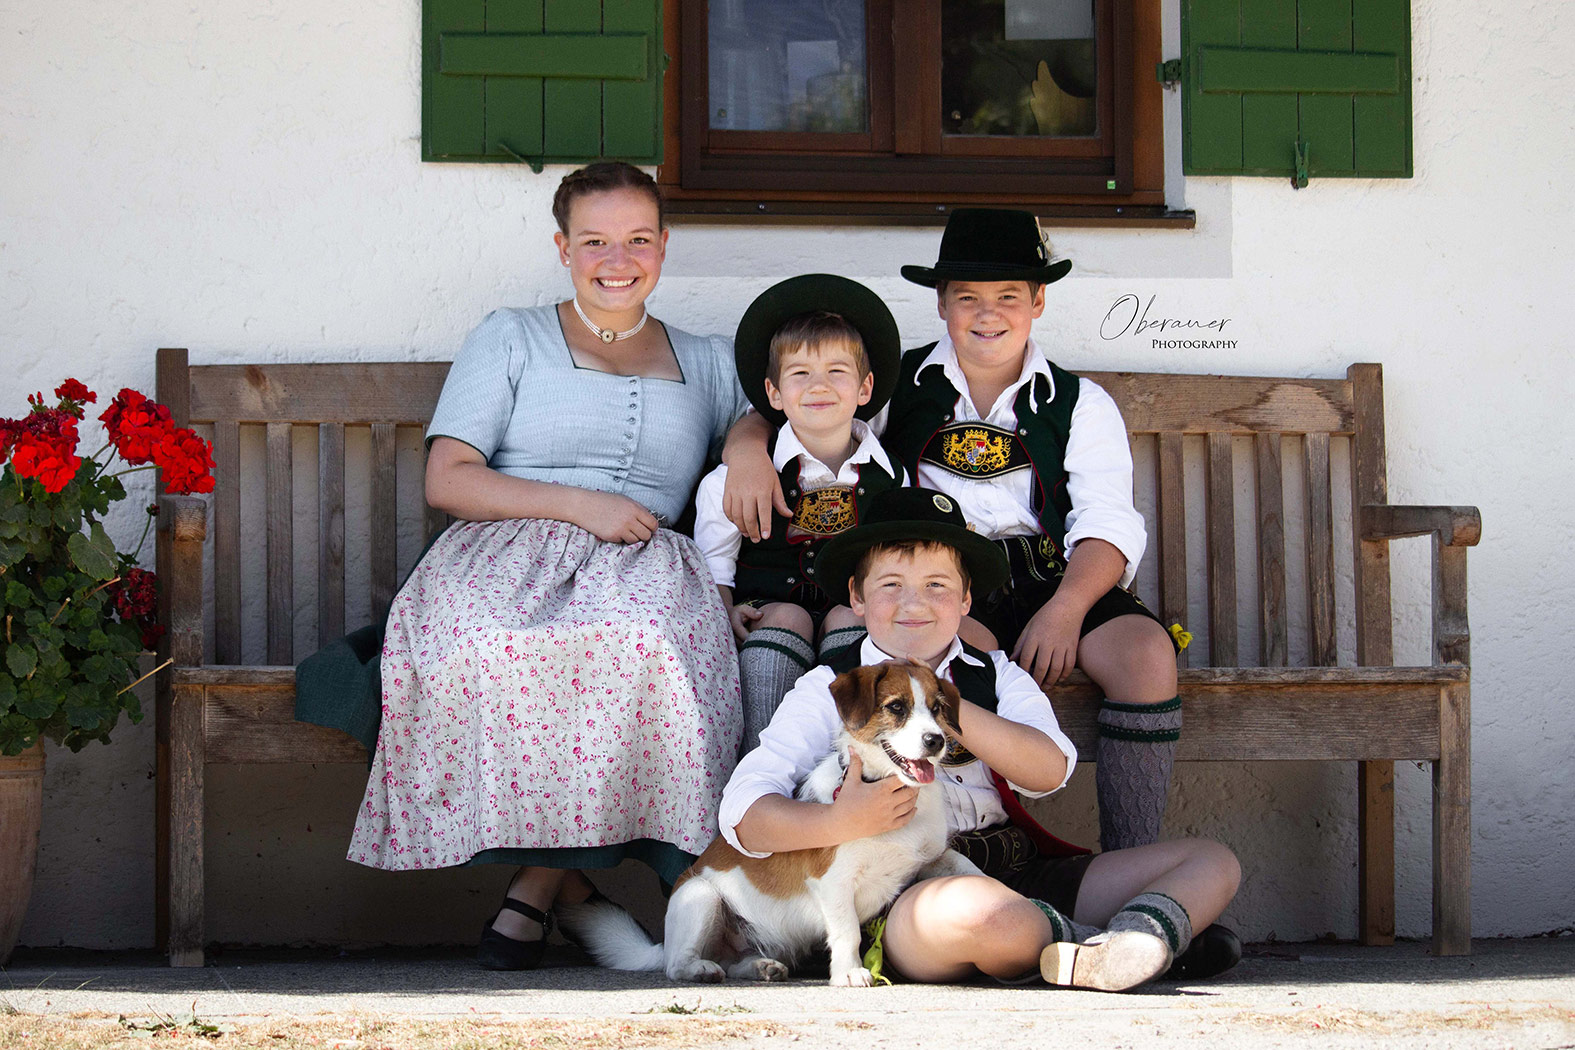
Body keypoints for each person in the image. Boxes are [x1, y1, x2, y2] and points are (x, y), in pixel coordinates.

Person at [345, 161, 750, 970]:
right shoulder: (511, 335)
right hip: (505, 556)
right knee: (495, 648)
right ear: (563, 248)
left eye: (637, 240)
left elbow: (753, 417)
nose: (617, 260)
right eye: (595, 241)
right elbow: (448, 479)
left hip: (642, 567)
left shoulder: (708, 358)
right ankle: (558, 891)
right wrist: (581, 505)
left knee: (639, 646)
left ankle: (536, 891)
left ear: (663, 245)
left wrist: (749, 449)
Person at [722, 209, 1181, 856]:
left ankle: (1131, 858)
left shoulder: (1079, 402)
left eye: (1008, 297)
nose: (987, 314)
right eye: (967, 298)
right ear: (941, 303)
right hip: (940, 581)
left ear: (1038, 301)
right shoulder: (894, 386)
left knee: (1146, 655)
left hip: (1052, 576)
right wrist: (745, 447)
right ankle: (953, 848)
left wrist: (1066, 609)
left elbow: (1106, 521)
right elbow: (804, 414)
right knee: (955, 655)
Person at [720, 489, 1241, 989]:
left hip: (1014, 867)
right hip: (904, 893)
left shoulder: (992, 673)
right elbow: (743, 814)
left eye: (937, 585)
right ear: (857, 597)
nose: (914, 603)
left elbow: (1050, 771)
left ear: (966, 599)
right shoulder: (834, 687)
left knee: (1212, 863)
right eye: (891, 585)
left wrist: (939, 703)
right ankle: (1119, 942)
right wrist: (840, 821)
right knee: (988, 916)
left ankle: (1128, 941)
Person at [692, 274, 906, 752]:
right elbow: (714, 565)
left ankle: (860, 758)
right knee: (788, 616)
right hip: (769, 611)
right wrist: (726, 609)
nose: (819, 386)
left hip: (852, 613)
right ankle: (762, 761)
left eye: (837, 371)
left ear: (865, 387)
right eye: (800, 373)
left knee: (851, 616)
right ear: (773, 393)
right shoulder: (735, 480)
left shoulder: (894, 480)